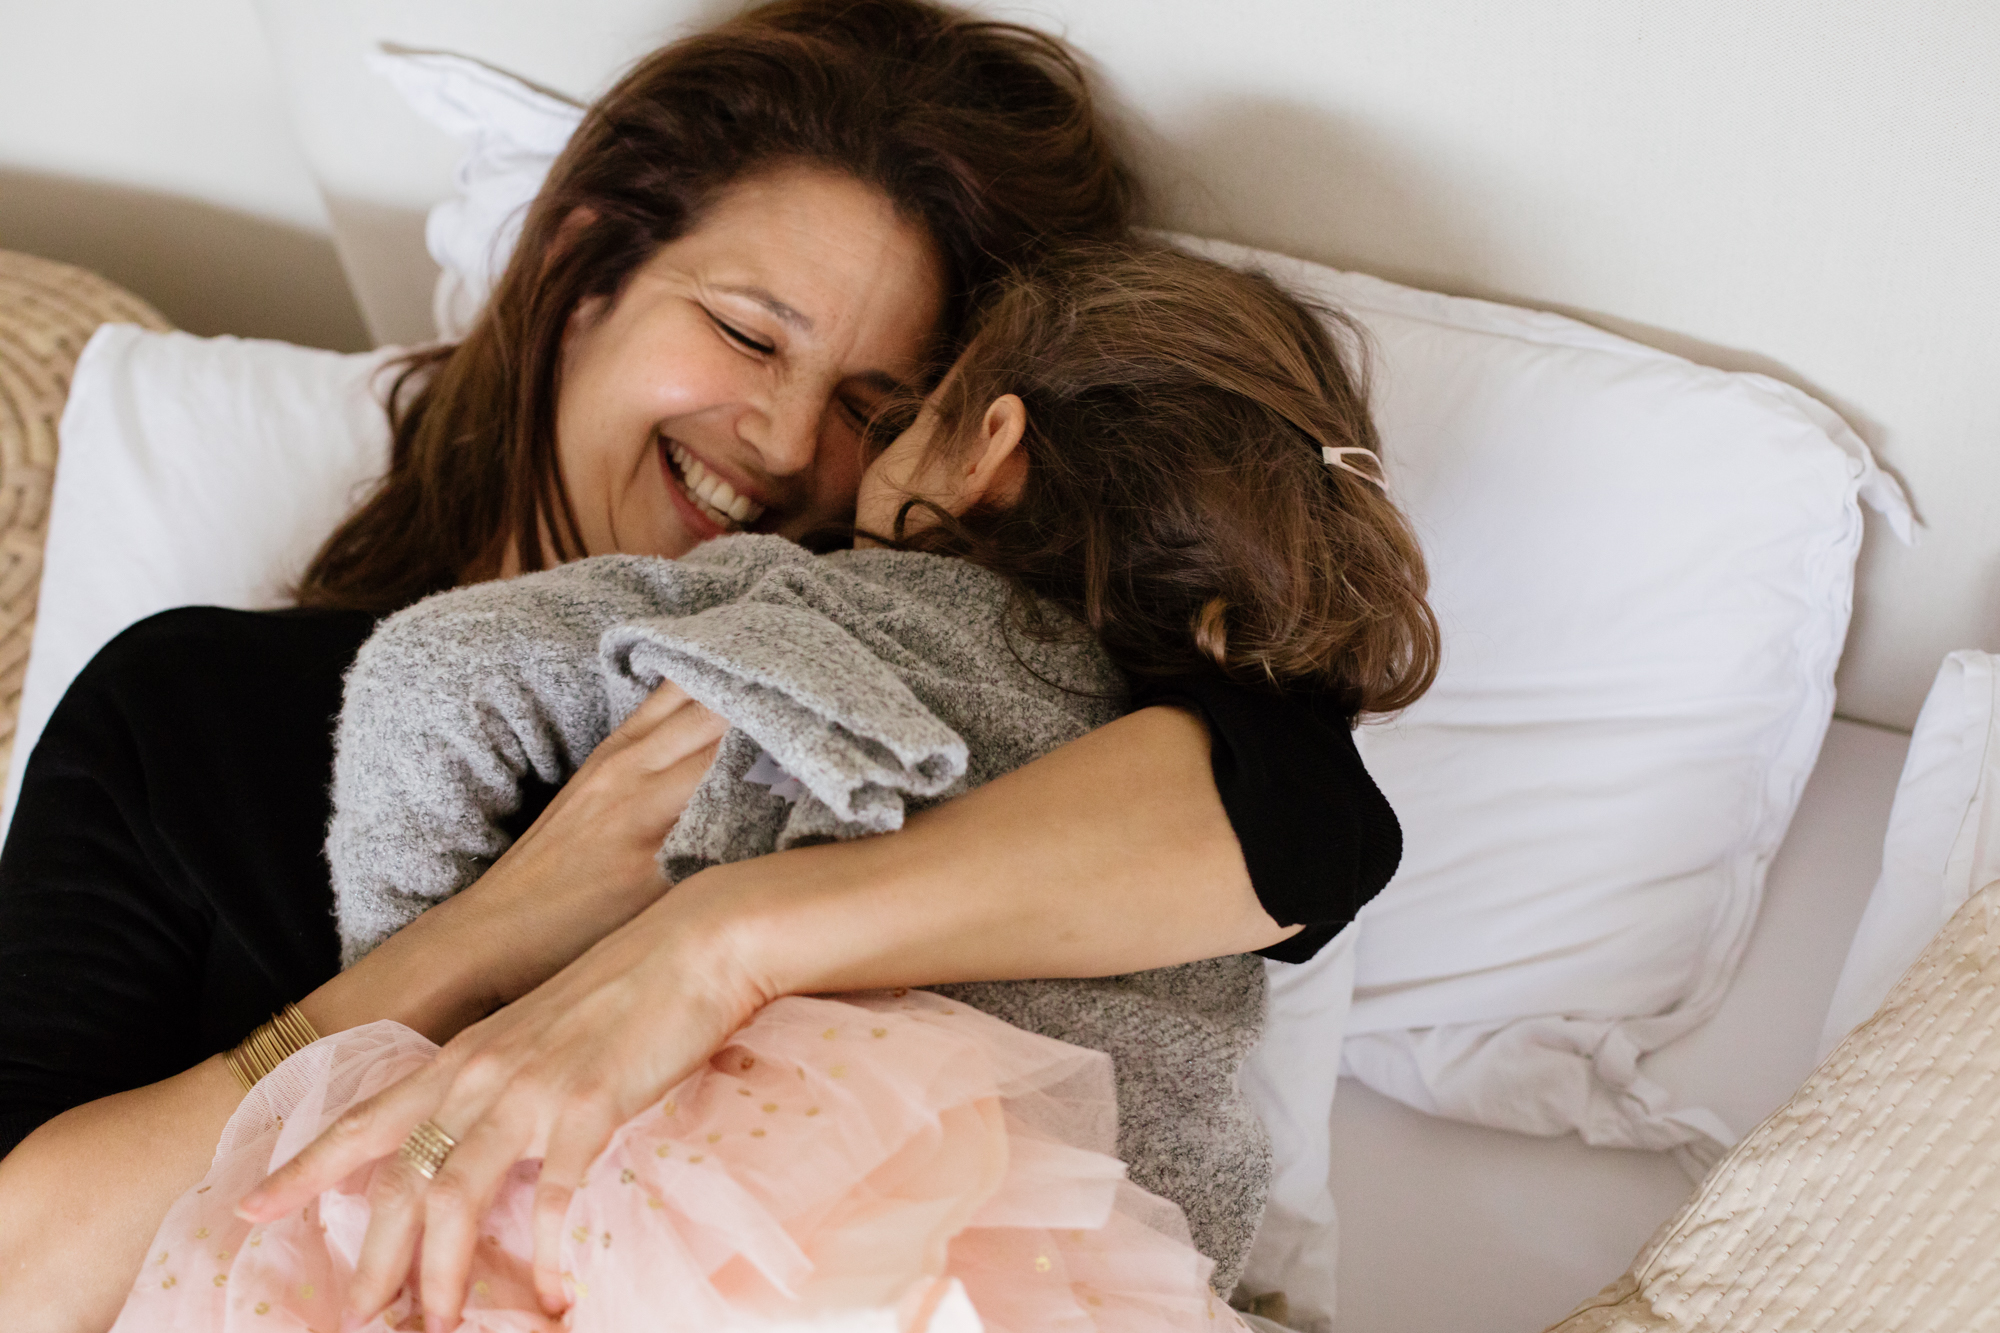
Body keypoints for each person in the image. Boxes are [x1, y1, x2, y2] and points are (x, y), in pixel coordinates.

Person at [0, 2, 1416, 1328]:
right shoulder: (197, 711)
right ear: (581, 275)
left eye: (877, 406)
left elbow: (1310, 826)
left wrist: (715, 946)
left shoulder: (973, 688)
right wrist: (488, 937)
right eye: (746, 333)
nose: (791, 442)